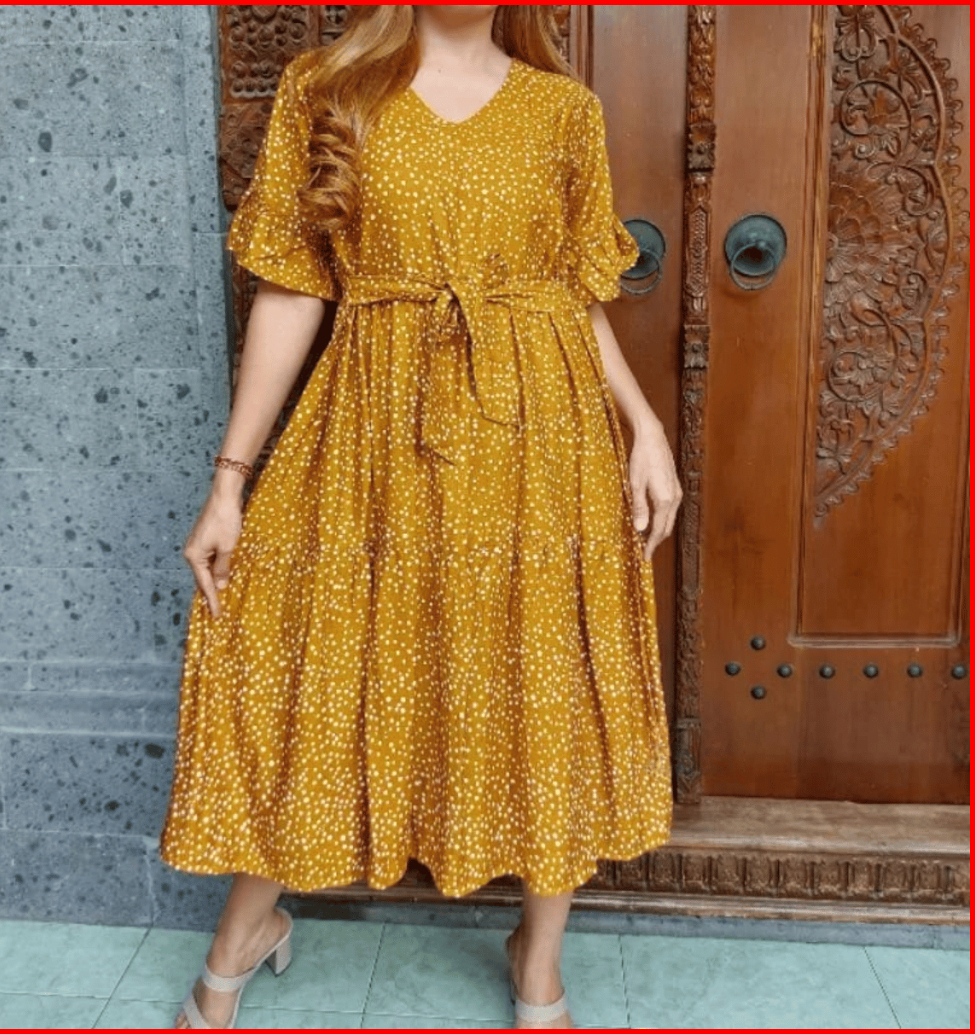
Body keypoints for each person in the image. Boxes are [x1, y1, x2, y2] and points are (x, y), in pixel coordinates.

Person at [160, 5, 682, 1029]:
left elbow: (576, 294)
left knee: (543, 677)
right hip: (372, 427)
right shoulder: (326, 89)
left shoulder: (563, 111)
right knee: (311, 669)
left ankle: (538, 958)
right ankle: (243, 936)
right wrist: (229, 479)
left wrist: (646, 426)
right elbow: (290, 291)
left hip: (543, 433)